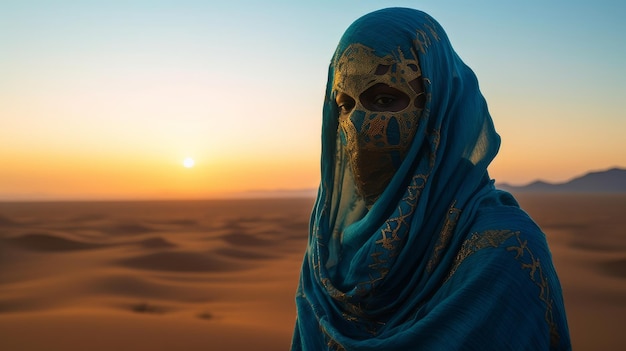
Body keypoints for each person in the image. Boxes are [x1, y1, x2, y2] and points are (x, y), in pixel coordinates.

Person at [291, 7, 571, 351]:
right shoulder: (327, 254)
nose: (358, 127)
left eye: (384, 98)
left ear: (437, 108)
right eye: (345, 104)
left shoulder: (505, 254)